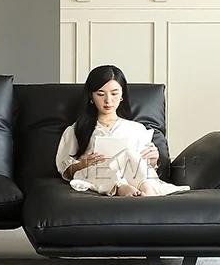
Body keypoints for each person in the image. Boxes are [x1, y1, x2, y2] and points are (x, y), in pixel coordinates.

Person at [56, 64, 190, 197]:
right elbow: (65, 170)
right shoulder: (76, 129)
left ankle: (146, 189)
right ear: (91, 96)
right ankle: (121, 187)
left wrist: (153, 160)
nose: (108, 100)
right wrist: (81, 165)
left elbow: (143, 166)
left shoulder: (136, 129)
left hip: (133, 175)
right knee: (99, 169)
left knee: (128, 154)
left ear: (122, 94)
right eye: (100, 94)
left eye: (114, 93)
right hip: (96, 174)